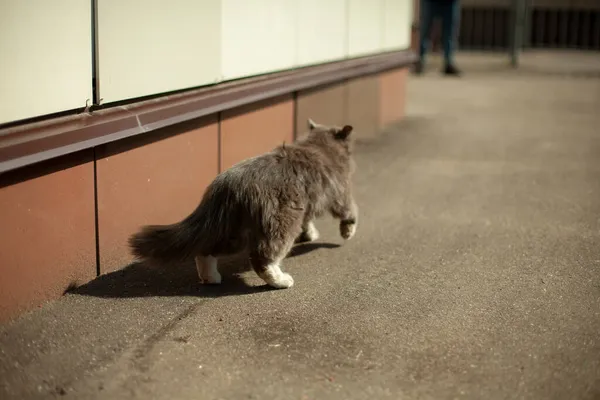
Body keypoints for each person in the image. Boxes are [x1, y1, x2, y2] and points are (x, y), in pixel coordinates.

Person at [414, 0, 462, 76]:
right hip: (430, 2)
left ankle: (448, 62)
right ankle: (420, 60)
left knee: (450, 32)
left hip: (450, 2)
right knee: (425, 29)